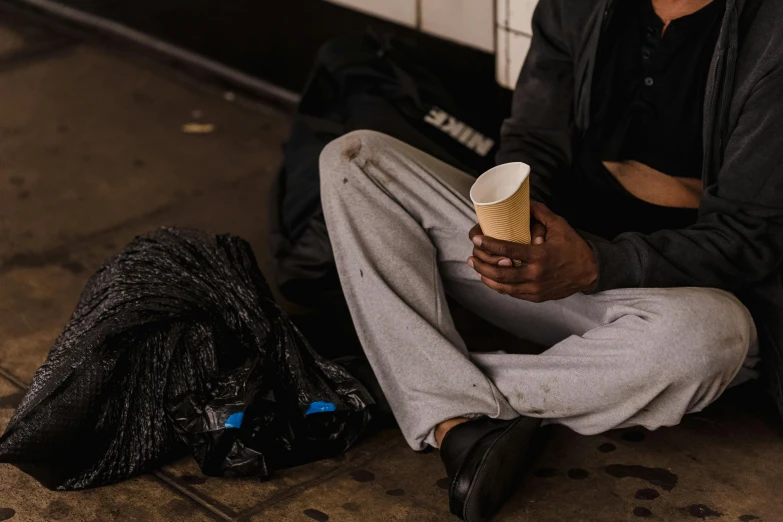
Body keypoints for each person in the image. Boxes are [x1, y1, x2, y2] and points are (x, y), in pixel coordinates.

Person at [318, 0, 783, 520]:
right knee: (356, 159)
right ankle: (428, 385)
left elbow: (751, 235)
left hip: (671, 296)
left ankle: (399, 384)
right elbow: (532, 141)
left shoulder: (771, 32)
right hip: (549, 264)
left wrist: (595, 265)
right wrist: (512, 228)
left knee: (707, 342)